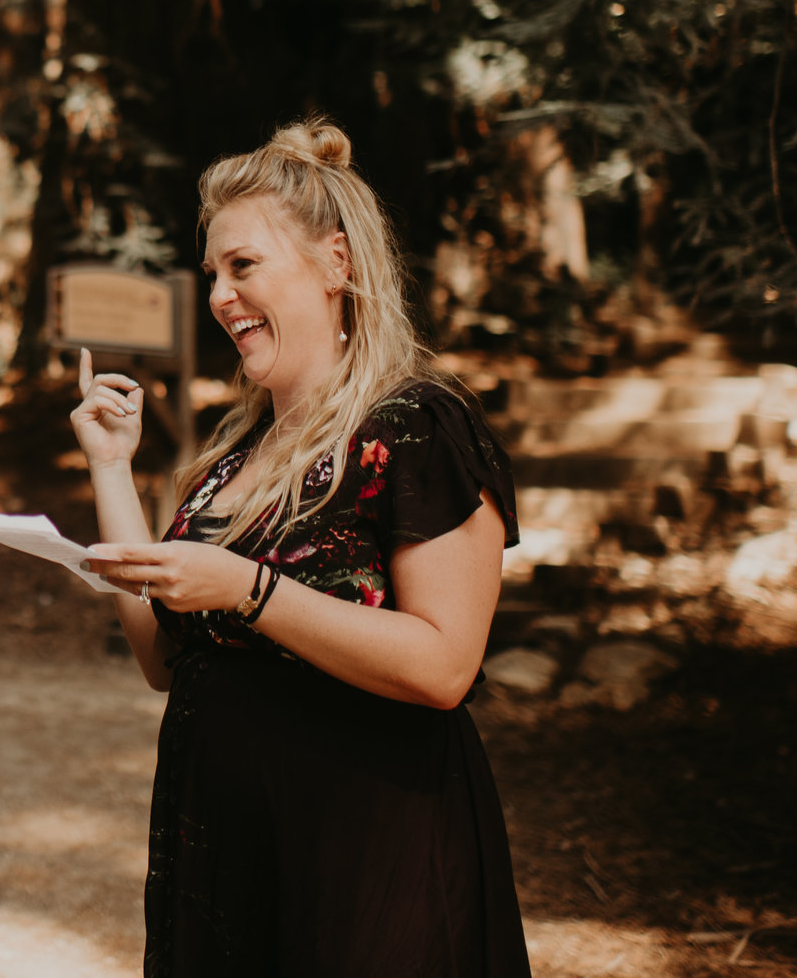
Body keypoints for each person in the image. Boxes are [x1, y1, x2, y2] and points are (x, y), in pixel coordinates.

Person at [77, 117, 530, 978]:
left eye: (243, 266)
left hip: (365, 853)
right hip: (228, 852)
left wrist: (248, 588)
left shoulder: (417, 425)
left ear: (337, 263)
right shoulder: (230, 465)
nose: (219, 294)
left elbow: (444, 665)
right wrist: (111, 470)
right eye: (212, 271)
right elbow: (163, 660)